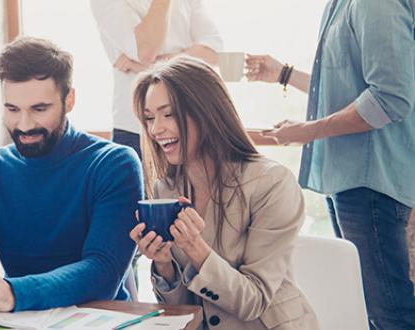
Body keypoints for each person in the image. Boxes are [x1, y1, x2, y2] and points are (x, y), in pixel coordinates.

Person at [0, 37, 142, 312]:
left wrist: (11, 291)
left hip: (101, 319)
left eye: (39, 109)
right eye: (12, 109)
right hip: (21, 319)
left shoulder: (114, 164)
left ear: (69, 100)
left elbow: (103, 273)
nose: (24, 125)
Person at [246, 1, 415, 328]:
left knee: (389, 315)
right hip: (353, 181)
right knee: (368, 309)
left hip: (371, 183)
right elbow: (348, 88)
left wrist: (307, 131)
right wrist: (283, 74)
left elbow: (390, 97)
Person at [130, 56, 318, 329]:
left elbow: (254, 300)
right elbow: (183, 309)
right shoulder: (166, 189)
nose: (156, 129)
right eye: (149, 118)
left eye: (168, 114)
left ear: (206, 112)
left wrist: (195, 248)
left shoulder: (272, 184)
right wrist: (163, 265)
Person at [89, 0, 222, 157]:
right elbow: (146, 50)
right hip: (137, 130)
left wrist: (156, 65)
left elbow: (214, 51)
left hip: (191, 124)